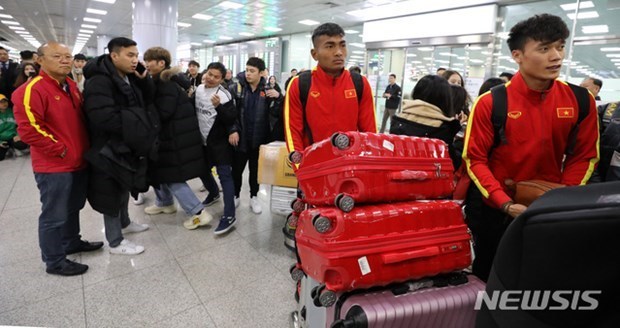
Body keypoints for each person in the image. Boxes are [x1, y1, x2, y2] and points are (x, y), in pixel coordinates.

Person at [462, 14, 599, 281]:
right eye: (544, 48)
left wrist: (560, 198)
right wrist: (505, 203)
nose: (556, 56)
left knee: (539, 279)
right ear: (517, 55)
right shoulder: (491, 102)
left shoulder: (581, 100)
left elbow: (585, 157)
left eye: (560, 46)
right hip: (495, 211)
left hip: (547, 209)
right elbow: (474, 159)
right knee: (489, 280)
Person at [12, 42, 103, 276]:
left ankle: (71, 241)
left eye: (68, 56)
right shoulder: (31, 90)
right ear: (40, 60)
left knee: (73, 207)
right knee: (54, 214)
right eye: (57, 56)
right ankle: (54, 260)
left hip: (78, 160)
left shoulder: (70, 85)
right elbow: (29, 130)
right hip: (54, 165)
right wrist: (61, 150)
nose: (65, 60)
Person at [82, 37, 156, 255]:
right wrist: (134, 130)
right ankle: (115, 241)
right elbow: (103, 118)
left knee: (124, 186)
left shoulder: (129, 77)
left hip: (125, 145)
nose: (135, 60)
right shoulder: (99, 81)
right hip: (109, 147)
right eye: (130, 55)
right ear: (114, 56)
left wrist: (143, 80)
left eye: (136, 55)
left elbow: (144, 102)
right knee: (112, 192)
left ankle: (125, 222)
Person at [142, 47, 213, 230]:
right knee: (161, 172)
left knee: (173, 177)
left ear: (161, 63)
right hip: (172, 138)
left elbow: (163, 113)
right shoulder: (162, 81)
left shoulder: (165, 84)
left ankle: (198, 213)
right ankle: (165, 202)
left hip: (174, 139)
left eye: (149, 60)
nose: (146, 63)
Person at [284, 22, 376, 156]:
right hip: (313, 166)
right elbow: (293, 131)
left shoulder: (360, 83)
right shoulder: (300, 84)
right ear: (315, 54)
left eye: (342, 45)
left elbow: (370, 132)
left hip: (350, 166)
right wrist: (300, 169)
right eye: (330, 46)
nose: (339, 52)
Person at [229, 57, 284, 214]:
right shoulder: (237, 89)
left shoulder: (266, 91)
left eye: (252, 71)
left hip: (259, 140)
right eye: (247, 70)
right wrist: (233, 130)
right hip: (240, 139)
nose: (248, 74)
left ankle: (254, 197)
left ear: (261, 73)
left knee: (255, 171)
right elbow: (231, 113)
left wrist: (279, 98)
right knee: (237, 170)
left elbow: (275, 114)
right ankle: (235, 195)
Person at [195, 62, 238, 234]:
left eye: (216, 76)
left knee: (225, 176)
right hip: (202, 141)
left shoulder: (224, 94)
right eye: (209, 74)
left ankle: (229, 215)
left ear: (221, 79)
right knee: (201, 170)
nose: (211, 78)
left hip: (219, 143)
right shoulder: (198, 89)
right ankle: (213, 193)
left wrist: (219, 107)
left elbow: (231, 118)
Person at [389, 75, 461, 168]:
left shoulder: (398, 118)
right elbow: (453, 164)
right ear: (445, 98)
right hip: (428, 180)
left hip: (397, 176)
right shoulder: (443, 127)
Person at [0, 93, 29, 159]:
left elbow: (20, 124)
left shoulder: (12, 111)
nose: (4, 103)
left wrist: (18, 135)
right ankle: (8, 149)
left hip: (13, 137)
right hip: (2, 139)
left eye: (5, 101)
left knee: (22, 145)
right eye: (1, 102)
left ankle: (14, 148)